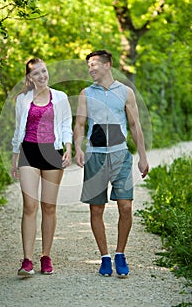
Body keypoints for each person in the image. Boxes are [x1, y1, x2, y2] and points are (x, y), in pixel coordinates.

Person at [74, 50, 149, 278]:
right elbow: (79, 124)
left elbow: (135, 126)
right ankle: (105, 258)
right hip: (95, 156)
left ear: (108, 65)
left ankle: (120, 254)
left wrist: (143, 156)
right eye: (88, 65)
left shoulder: (125, 92)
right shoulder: (86, 93)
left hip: (121, 156)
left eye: (94, 64)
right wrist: (78, 147)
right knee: (96, 208)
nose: (90, 68)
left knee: (125, 207)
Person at [11, 58, 72, 276]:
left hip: (53, 153)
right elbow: (19, 129)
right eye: (36, 73)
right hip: (29, 151)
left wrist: (68, 147)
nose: (42, 76)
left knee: (49, 206)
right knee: (29, 206)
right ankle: (27, 260)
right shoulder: (22, 100)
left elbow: (66, 124)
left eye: (44, 71)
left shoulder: (61, 97)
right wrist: (14, 157)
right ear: (29, 77)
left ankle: (46, 256)